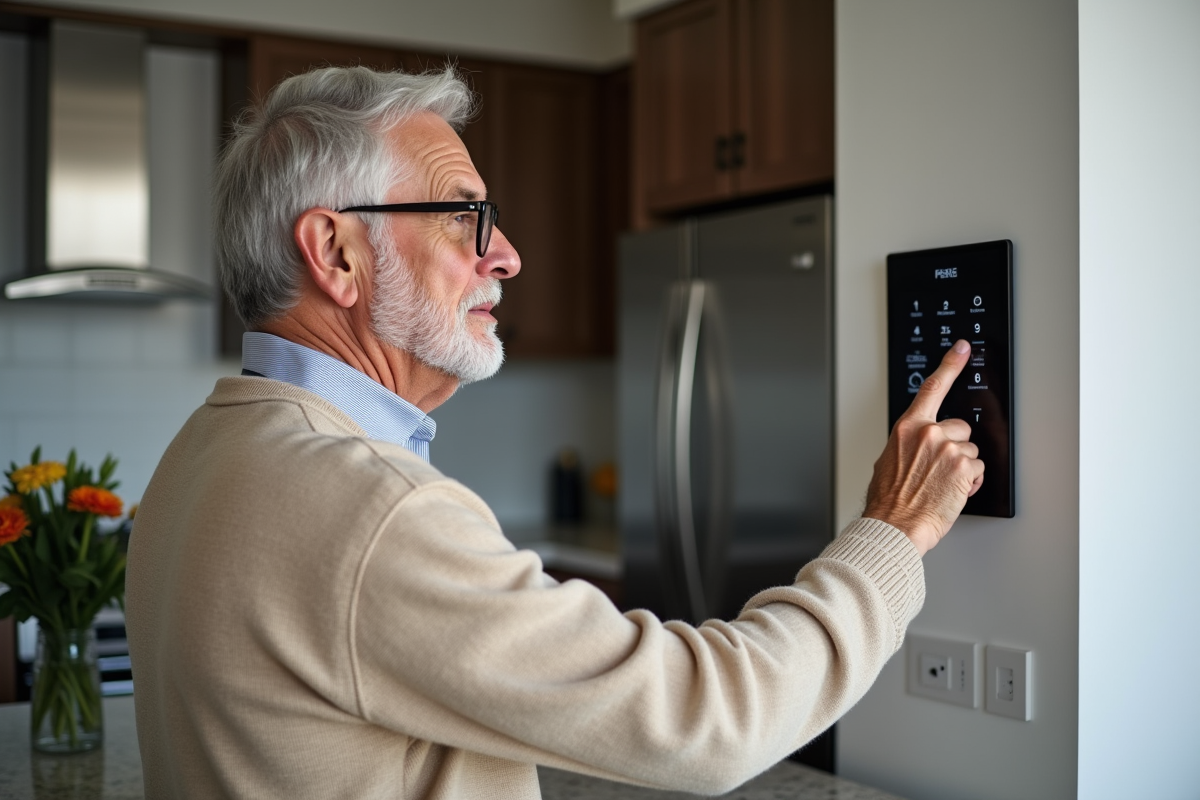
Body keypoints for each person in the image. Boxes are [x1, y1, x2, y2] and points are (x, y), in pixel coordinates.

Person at [125, 66, 984, 800]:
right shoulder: (370, 512)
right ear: (336, 253)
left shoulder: (200, 455)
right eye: (464, 217)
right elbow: (711, 717)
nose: (507, 256)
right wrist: (895, 530)